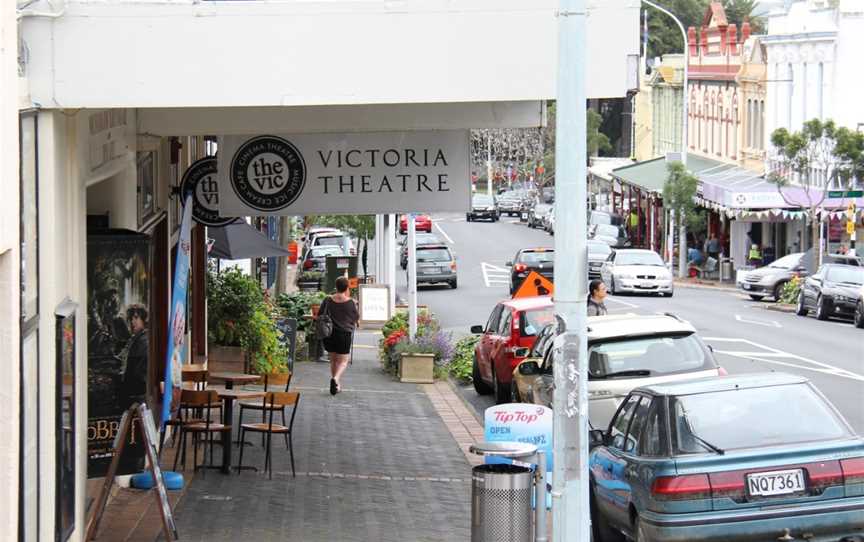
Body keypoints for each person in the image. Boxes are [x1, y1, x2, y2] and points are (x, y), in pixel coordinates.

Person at [321, 276, 360, 395]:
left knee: (333, 360)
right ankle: (336, 379)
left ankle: (336, 385)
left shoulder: (327, 299)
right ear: (347, 287)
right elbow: (356, 318)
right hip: (344, 334)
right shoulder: (351, 302)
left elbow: (320, 314)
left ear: (336, 286)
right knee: (343, 361)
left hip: (329, 334)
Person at [120, 304, 149, 408]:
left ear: (144, 320)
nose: (132, 322)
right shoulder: (136, 339)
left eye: (136, 318)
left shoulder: (143, 340)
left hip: (137, 393)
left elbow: (135, 372)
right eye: (131, 318)